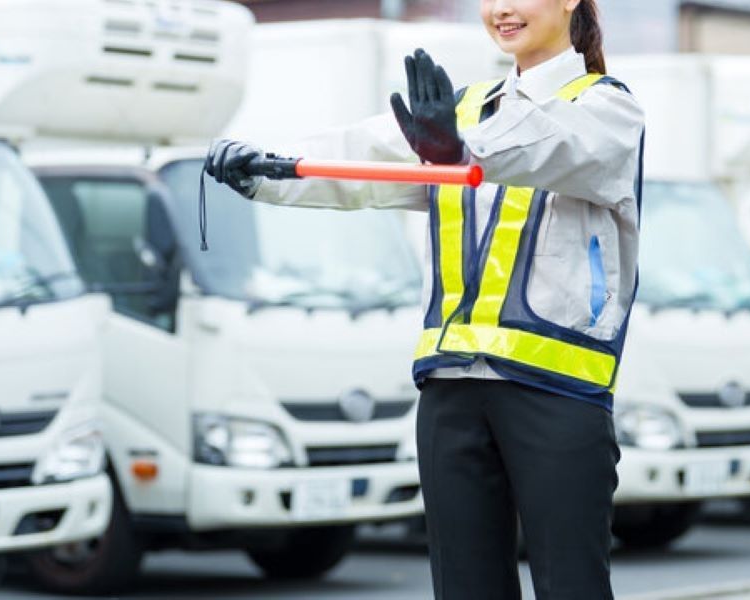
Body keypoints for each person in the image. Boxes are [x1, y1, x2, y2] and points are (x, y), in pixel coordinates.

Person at [206, 0, 644, 597]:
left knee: (572, 588)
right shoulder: (458, 113)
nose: (501, 9)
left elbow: (544, 147)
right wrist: (263, 167)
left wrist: (458, 154)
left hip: (556, 393)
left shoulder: (606, 109)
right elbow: (357, 158)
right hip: (451, 390)